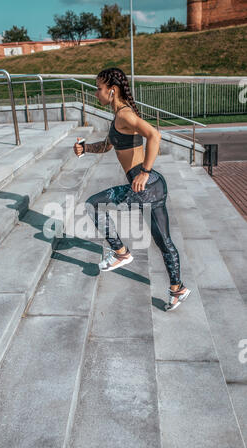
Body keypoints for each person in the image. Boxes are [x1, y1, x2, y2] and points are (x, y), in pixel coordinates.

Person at [73, 67, 190, 311]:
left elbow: (154, 135)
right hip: (156, 187)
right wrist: (85, 149)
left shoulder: (124, 115)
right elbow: (107, 145)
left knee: (93, 204)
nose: (96, 93)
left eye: (99, 88)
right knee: (164, 241)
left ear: (111, 91)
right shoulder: (120, 116)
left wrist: (145, 172)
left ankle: (120, 252)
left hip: (146, 186)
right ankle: (177, 289)